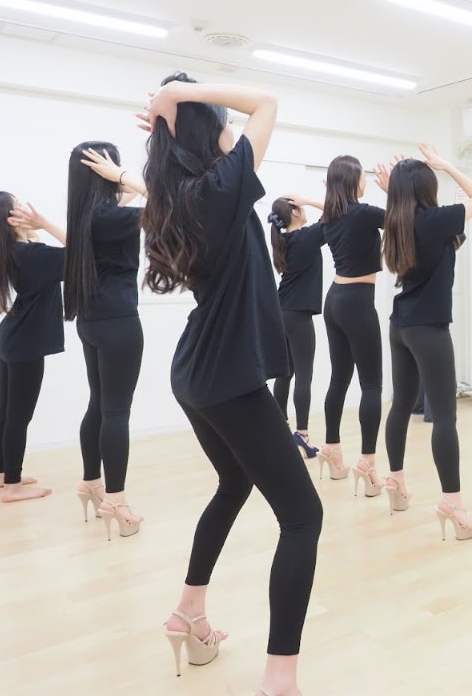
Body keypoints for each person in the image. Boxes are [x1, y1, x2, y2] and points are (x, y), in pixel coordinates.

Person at [141, 73, 322, 696]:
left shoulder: (178, 197)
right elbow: (267, 102)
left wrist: (171, 120)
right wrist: (185, 96)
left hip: (196, 372)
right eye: (220, 120)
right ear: (207, 126)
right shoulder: (219, 189)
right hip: (227, 376)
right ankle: (280, 679)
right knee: (303, 517)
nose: (231, 127)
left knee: (235, 482)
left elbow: (227, 129)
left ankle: (188, 611)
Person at [376, 145, 472, 539]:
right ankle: (453, 505)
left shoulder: (397, 221)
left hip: (400, 325)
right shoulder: (434, 220)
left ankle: (395, 481)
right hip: (429, 329)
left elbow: (448, 242)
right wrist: (448, 166)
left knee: (401, 406)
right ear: (427, 187)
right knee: (444, 418)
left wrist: (395, 189)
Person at [62, 143, 148, 539]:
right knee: (116, 412)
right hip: (119, 322)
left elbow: (118, 206)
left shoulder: (84, 217)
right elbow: (168, 204)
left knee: (99, 404)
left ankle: (91, 483)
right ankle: (116, 500)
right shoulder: (112, 219)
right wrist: (124, 177)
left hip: (91, 321)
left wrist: (115, 184)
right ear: (104, 172)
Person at [0, 192, 66, 502]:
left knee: (6, 408)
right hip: (25, 342)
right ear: (10, 219)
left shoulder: (14, 251)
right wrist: (45, 223)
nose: (26, 206)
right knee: (18, 415)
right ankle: (12, 485)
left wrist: (31, 230)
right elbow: (82, 254)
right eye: (18, 204)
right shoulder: (31, 254)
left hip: (12, 338)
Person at [316, 155, 385, 495]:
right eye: (363, 176)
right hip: (357, 301)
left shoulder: (330, 217)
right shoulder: (363, 213)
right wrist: (395, 190)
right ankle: (368, 464)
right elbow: (403, 220)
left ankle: (331, 448)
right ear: (353, 181)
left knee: (339, 379)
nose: (366, 181)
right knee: (371, 385)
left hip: (334, 300)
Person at [267, 195, 325, 460]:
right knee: (303, 375)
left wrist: (303, 204)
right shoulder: (306, 237)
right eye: (299, 208)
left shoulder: (286, 241)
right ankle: (302, 434)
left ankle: (279, 433)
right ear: (294, 212)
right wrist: (309, 201)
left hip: (281, 312)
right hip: (298, 315)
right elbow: (338, 214)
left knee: (285, 373)